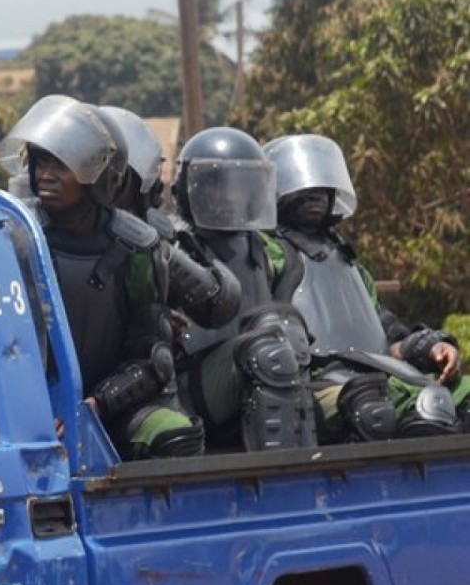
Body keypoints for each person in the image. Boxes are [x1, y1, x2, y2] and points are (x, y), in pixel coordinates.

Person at [0, 95, 202, 458]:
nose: (45, 175)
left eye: (62, 165)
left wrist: (97, 404)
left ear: (101, 176)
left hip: (109, 408)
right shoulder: (12, 232)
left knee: (175, 435)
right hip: (26, 409)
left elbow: (153, 359)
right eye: (41, 162)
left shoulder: (138, 247)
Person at [263, 133, 465, 440]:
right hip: (314, 382)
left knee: (462, 396)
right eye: (302, 187)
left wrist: (432, 347)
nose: (313, 194)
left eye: (320, 187)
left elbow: (385, 333)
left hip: (374, 371)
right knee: (377, 410)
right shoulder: (267, 253)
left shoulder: (346, 260)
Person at [169, 126, 316, 451]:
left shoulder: (267, 250)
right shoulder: (173, 246)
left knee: (288, 337)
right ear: (188, 190)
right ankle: (275, 475)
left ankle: (306, 464)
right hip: (191, 387)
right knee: (267, 350)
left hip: (257, 378)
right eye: (215, 186)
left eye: (238, 188)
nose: (228, 197)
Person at [100, 105, 241, 336]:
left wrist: (158, 316)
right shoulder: (35, 236)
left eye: (111, 176)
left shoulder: (152, 241)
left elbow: (219, 305)